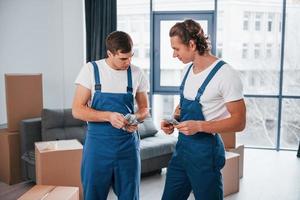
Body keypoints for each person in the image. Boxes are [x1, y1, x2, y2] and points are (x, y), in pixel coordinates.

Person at [161, 19, 246, 200]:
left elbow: (239, 121)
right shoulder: (187, 71)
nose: (174, 55)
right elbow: (183, 106)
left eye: (176, 49)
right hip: (182, 150)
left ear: (192, 44)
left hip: (206, 154)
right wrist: (173, 118)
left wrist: (199, 126)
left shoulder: (226, 74)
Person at [72, 31, 149, 200]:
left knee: (130, 196)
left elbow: (144, 109)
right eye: (123, 58)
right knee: (93, 195)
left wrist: (135, 118)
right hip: (98, 148)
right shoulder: (91, 70)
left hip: (127, 147)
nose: (128, 62)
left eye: (131, 57)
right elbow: (77, 109)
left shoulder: (137, 73)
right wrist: (109, 116)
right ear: (109, 54)